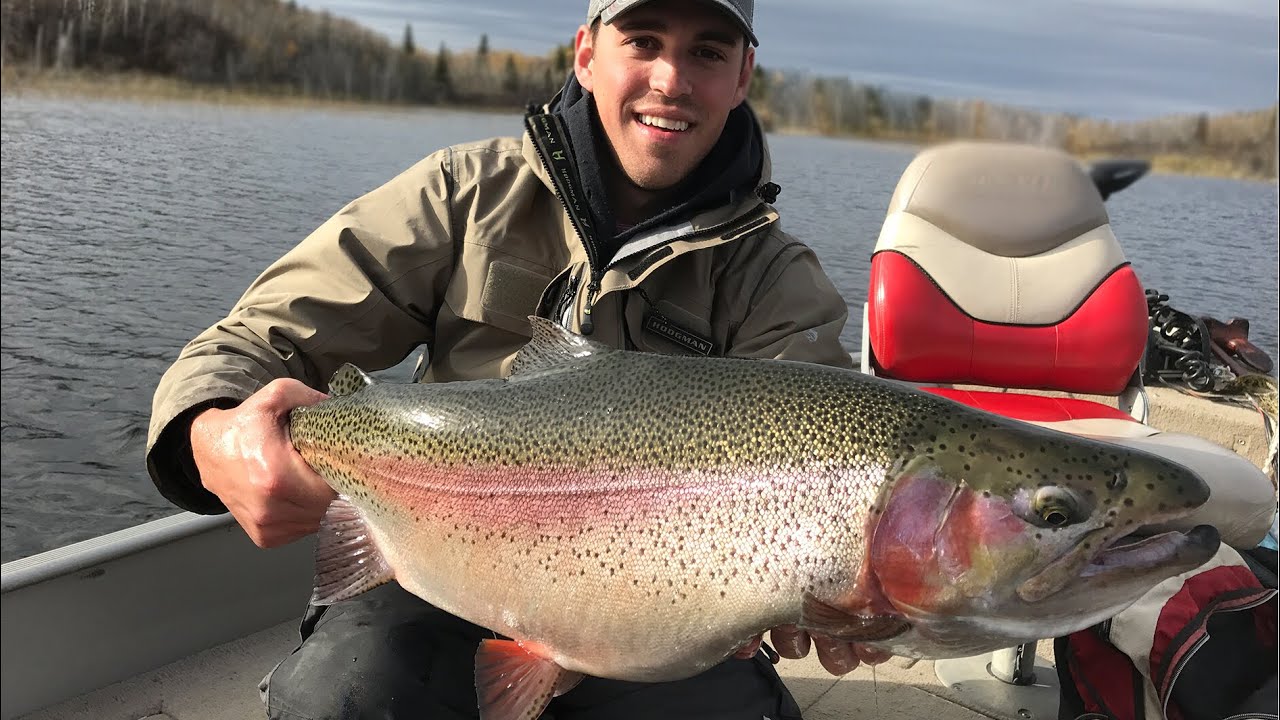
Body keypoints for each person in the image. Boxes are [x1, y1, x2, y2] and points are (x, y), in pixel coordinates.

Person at [146, 0, 885, 717]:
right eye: (645, 41)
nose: (671, 79)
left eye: (707, 52)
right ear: (587, 54)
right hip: (440, 572)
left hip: (667, 622)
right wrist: (210, 432)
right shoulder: (463, 195)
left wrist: (838, 594)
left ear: (743, 76)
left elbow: (832, 466)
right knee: (342, 695)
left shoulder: (776, 281)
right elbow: (248, 343)